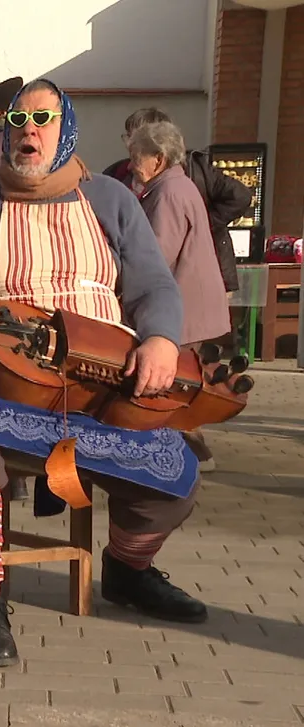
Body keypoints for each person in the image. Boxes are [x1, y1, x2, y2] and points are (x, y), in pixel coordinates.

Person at [0, 79, 208, 670]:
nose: (28, 128)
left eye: (43, 119)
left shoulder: (111, 199)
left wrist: (159, 338)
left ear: (66, 130)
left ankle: (127, 571)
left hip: (97, 389)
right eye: (18, 118)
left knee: (174, 467)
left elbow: (155, 284)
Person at [128, 120, 231, 473]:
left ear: (158, 158)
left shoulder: (168, 193)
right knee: (186, 385)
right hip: (194, 303)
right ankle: (191, 452)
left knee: (178, 386)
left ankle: (191, 455)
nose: (130, 165)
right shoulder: (178, 186)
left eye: (135, 156)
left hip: (183, 307)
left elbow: (156, 257)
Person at [105, 107, 253, 294]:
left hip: (194, 276)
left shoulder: (185, 177)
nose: (129, 143)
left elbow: (239, 196)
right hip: (152, 278)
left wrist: (203, 223)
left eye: (136, 137)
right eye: (127, 137)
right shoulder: (119, 173)